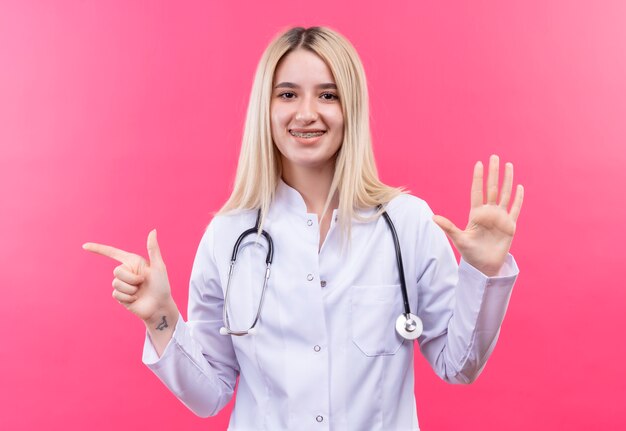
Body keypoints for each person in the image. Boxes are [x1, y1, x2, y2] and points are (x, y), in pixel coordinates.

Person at [83, 26, 524, 431]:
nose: (307, 113)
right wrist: (161, 316)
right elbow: (209, 395)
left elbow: (459, 365)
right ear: (267, 108)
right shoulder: (228, 236)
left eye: (328, 95)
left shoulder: (405, 223)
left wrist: (483, 272)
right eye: (288, 94)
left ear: (350, 107)